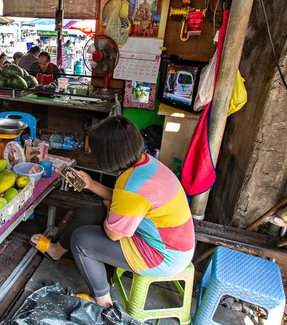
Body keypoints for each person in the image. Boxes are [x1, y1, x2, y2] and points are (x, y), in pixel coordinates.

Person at [30, 116, 195, 308]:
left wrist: (109, 206)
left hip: (162, 255)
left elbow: (113, 234)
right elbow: (122, 199)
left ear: (109, 155)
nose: (92, 153)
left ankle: (102, 300)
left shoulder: (132, 185)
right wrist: (90, 184)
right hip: (169, 241)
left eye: (96, 151)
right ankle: (57, 250)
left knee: (81, 240)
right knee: (86, 213)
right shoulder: (145, 163)